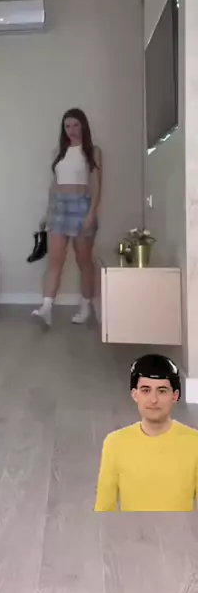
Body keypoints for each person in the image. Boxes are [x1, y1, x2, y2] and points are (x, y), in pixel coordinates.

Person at [94, 354, 198, 511]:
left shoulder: (194, 443)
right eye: (146, 390)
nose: (153, 399)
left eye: (162, 391)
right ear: (134, 394)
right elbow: (103, 508)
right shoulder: (115, 443)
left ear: (175, 396)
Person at [32, 108, 102, 327]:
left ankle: (85, 307)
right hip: (59, 208)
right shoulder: (58, 152)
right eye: (67, 126)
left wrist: (92, 212)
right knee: (55, 261)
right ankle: (46, 308)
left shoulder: (93, 152)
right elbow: (53, 186)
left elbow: (97, 185)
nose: (71, 130)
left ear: (83, 126)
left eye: (75, 125)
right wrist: (47, 212)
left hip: (82, 207)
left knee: (84, 261)